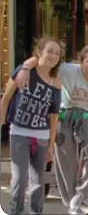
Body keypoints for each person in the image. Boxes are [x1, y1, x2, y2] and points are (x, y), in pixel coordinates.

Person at [14, 45, 88, 215]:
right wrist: (25, 68)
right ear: (80, 62)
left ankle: (80, 195)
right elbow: (41, 60)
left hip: (86, 116)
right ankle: (72, 204)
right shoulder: (68, 70)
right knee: (67, 163)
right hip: (63, 117)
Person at [0, 37, 62, 214]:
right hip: (19, 132)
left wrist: (51, 145)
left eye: (57, 53)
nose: (53, 56)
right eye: (49, 51)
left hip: (42, 136)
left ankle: (36, 212)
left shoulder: (55, 81)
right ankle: (16, 211)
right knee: (19, 179)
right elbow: (5, 100)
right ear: (39, 52)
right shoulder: (23, 71)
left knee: (38, 181)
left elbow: (53, 116)